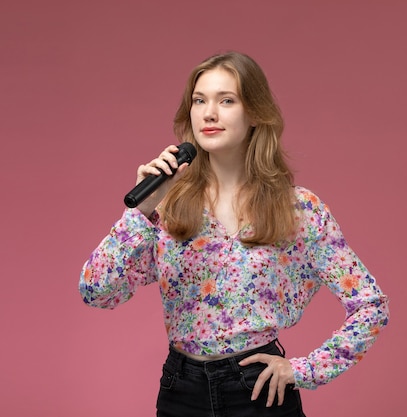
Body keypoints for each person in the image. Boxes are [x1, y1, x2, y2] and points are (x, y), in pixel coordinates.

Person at [79, 51, 389, 417]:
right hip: (181, 391)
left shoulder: (297, 209)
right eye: (199, 101)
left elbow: (370, 305)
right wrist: (142, 211)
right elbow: (96, 292)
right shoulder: (168, 208)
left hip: (258, 391)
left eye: (226, 100)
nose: (209, 113)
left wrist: (304, 370)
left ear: (255, 113)